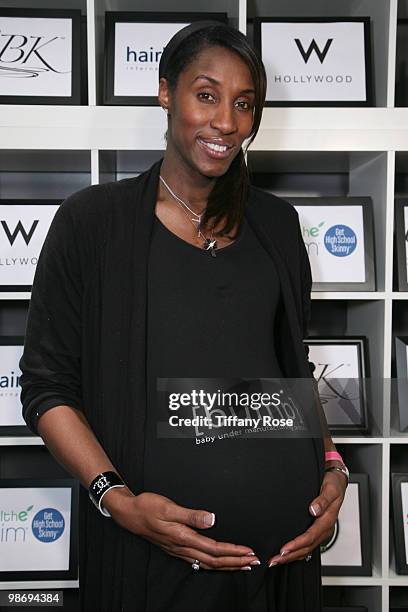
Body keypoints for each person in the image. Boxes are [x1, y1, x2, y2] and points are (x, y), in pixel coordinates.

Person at [19, 20, 348, 612]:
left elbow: (290, 371)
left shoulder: (277, 225)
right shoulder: (92, 223)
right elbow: (47, 389)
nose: (226, 121)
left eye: (244, 104)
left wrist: (331, 466)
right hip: (148, 561)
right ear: (165, 92)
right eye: (206, 94)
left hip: (279, 560)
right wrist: (118, 500)